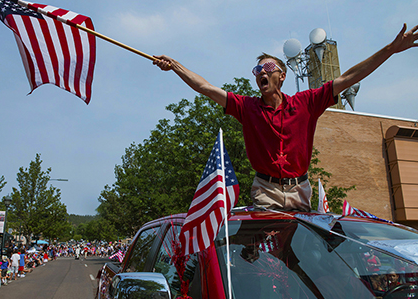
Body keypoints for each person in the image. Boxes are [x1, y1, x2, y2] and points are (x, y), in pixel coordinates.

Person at [154, 24, 418, 211]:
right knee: (269, 257)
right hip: (266, 191)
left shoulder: (307, 103)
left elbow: (349, 77)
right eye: (257, 70)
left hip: (300, 189)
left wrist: (390, 50)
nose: (261, 73)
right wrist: (175, 66)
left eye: (269, 68)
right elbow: (205, 88)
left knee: (303, 256)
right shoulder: (247, 107)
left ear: (282, 75)